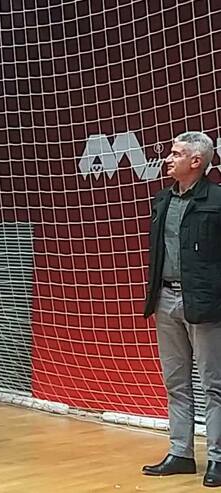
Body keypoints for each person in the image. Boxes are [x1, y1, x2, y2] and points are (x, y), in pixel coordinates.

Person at [141, 131, 221, 488]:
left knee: (214, 385)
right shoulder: (162, 200)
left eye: (176, 154)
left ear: (196, 161)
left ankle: (218, 458)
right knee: (176, 382)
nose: (167, 158)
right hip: (166, 300)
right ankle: (181, 453)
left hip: (205, 303)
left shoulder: (217, 200)